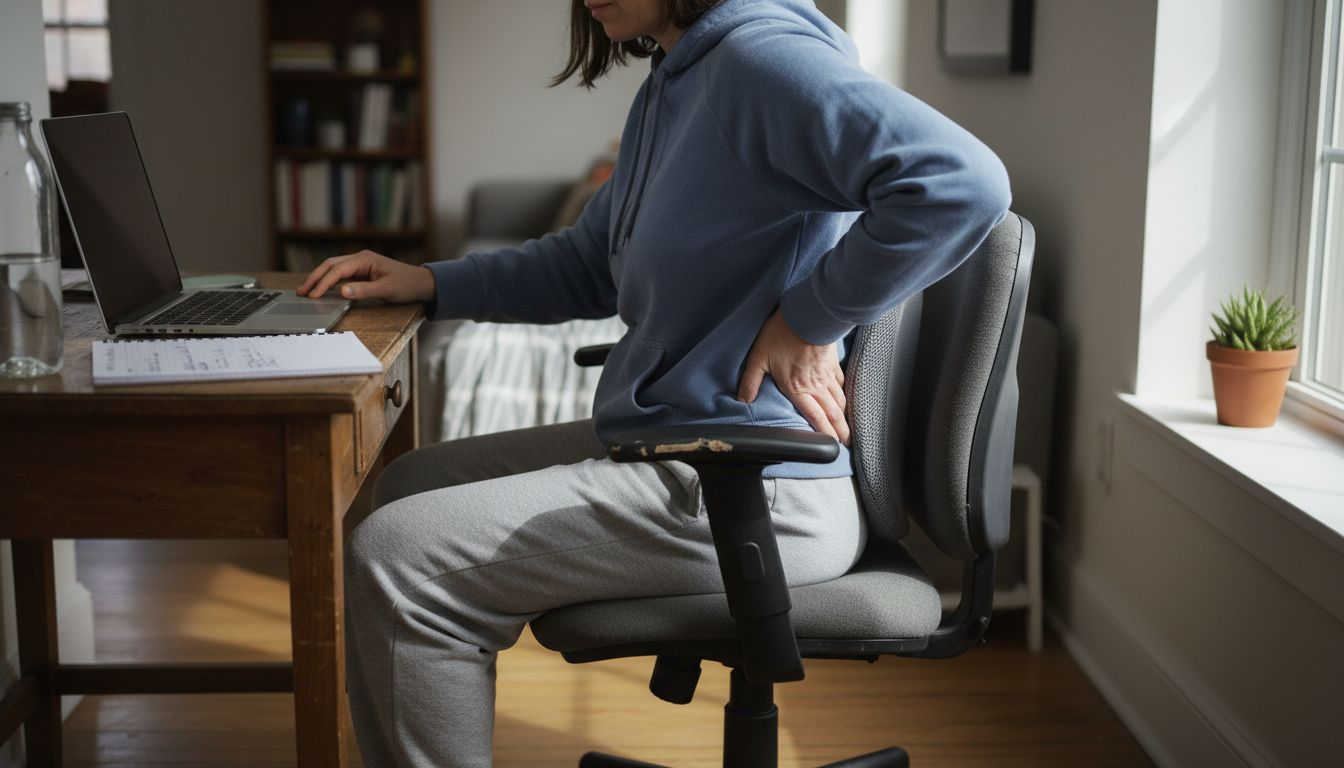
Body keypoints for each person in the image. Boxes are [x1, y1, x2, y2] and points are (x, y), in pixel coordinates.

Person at [297, 0, 1010, 765]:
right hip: (683, 441)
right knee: (408, 483)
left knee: (397, 558)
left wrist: (808, 321)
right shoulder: (676, 78)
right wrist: (430, 282)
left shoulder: (763, 64)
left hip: (759, 480)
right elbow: (585, 264)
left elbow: (962, 180)